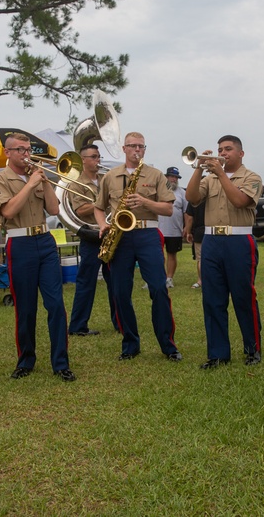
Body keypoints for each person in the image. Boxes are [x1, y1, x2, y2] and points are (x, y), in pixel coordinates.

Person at [0, 132, 75, 382]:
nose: (27, 154)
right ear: (7, 153)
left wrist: (45, 182)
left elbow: (54, 209)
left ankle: (61, 363)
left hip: (45, 241)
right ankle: (26, 360)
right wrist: (30, 184)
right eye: (20, 150)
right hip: (20, 242)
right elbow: (10, 210)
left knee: (56, 304)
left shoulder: (36, 176)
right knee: (25, 308)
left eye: (28, 149)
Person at [93, 132, 182, 362]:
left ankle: (168, 345)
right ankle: (130, 343)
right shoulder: (110, 176)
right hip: (120, 236)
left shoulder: (156, 175)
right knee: (120, 292)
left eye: (141, 146)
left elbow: (168, 209)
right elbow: (98, 207)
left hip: (148, 233)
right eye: (132, 146)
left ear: (145, 149)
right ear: (124, 149)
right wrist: (103, 225)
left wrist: (145, 202)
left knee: (159, 288)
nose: (137, 150)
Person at [185, 135, 264, 368]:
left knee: (243, 297)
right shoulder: (209, 179)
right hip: (211, 240)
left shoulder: (252, 177)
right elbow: (191, 198)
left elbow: (240, 201)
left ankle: (252, 349)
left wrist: (220, 174)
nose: (223, 152)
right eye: (220, 149)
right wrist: (199, 169)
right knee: (212, 299)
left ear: (241, 153)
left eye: (228, 149)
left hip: (239, 241)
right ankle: (218, 354)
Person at [66, 143, 115, 337]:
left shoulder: (106, 178)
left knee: (116, 281)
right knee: (86, 282)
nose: (98, 160)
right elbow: (80, 210)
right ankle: (78, 325)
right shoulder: (76, 183)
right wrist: (103, 203)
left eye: (98, 156)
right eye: (94, 157)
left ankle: (120, 322)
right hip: (91, 236)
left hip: (110, 233)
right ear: (83, 160)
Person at [159, 166, 187, 289]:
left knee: (172, 254)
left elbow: (186, 212)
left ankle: (169, 278)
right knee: (157, 255)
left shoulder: (182, 193)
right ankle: (155, 278)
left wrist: (187, 228)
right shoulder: (158, 190)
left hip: (175, 230)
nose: (174, 179)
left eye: (176, 177)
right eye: (171, 176)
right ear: (166, 177)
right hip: (158, 229)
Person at [183, 200, 205, 288]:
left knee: (200, 259)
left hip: (199, 231)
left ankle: (200, 280)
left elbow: (189, 218)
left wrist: (188, 232)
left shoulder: (194, 198)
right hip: (212, 231)